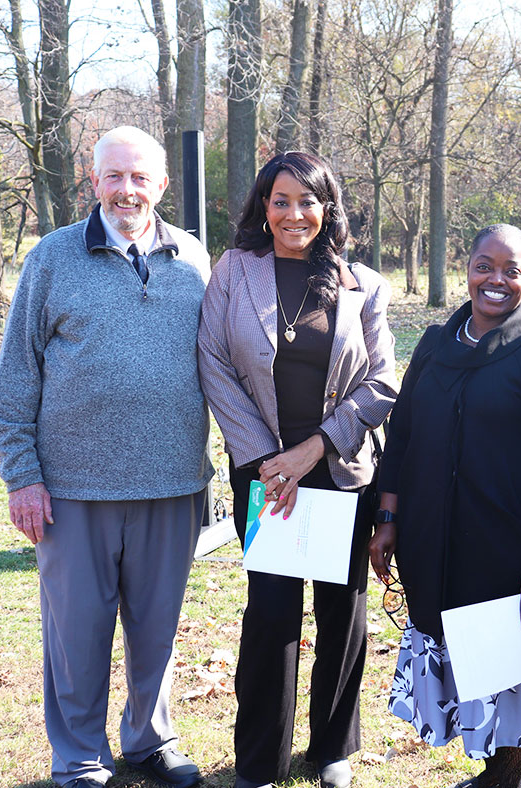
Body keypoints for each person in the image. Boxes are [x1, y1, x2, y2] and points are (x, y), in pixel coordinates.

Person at [0, 126, 212, 788]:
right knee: (76, 635)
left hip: (172, 485)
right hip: (74, 490)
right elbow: (12, 384)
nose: (127, 189)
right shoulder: (53, 260)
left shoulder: (196, 261)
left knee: (158, 632)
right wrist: (23, 477)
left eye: (141, 177)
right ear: (94, 183)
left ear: (163, 185)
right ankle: (80, 756)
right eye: (114, 176)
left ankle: (149, 739)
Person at [197, 152, 397, 788]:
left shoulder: (362, 283)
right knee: (272, 613)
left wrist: (313, 448)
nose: (293, 214)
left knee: (343, 610)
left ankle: (331, 748)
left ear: (327, 208)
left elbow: (382, 381)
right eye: (280, 200)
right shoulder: (235, 271)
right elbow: (214, 364)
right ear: (263, 206)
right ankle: (260, 759)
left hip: (339, 469)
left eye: (307, 202)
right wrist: (265, 459)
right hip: (264, 475)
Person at [369, 224, 521, 788]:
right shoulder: (435, 345)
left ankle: (504, 775)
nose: (496, 280)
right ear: (466, 267)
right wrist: (388, 518)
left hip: (509, 547)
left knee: (508, 659)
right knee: (459, 647)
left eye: (511, 270)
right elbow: (404, 434)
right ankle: (487, 767)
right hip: (437, 539)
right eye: (484, 265)